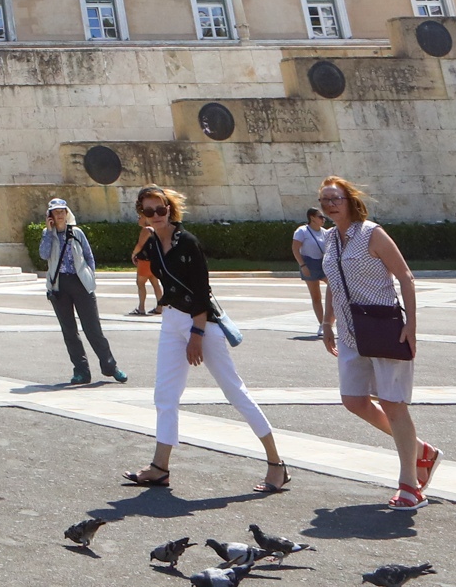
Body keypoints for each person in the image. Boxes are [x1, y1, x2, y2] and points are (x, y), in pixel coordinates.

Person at [123, 183, 287, 493]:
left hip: (200, 322)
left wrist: (196, 334)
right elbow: (138, 261)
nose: (156, 215)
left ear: (170, 210)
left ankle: (277, 464)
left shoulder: (188, 243)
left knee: (234, 391)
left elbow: (201, 291)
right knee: (165, 395)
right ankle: (160, 467)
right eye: (148, 211)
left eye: (161, 209)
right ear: (141, 215)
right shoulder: (152, 243)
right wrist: (144, 235)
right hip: (171, 320)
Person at [319, 175, 439, 509]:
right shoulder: (330, 238)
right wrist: (327, 321)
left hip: (384, 326)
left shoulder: (372, 233)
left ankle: (410, 485)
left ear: (349, 201)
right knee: (353, 400)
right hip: (350, 332)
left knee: (392, 403)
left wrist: (411, 326)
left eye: (335, 199)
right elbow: (333, 280)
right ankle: (420, 451)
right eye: (324, 200)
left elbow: (405, 277)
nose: (329, 204)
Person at [39, 199, 124, 385]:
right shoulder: (48, 234)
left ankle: (110, 366)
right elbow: (44, 255)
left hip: (79, 283)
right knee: (69, 331)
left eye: (62, 211)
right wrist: (49, 233)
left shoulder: (76, 232)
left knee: (93, 328)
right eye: (55, 212)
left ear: (66, 213)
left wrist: (89, 277)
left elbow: (88, 256)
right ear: (50, 216)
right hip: (59, 285)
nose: (59, 215)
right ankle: (81, 371)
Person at [292, 206, 331, 340]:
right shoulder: (302, 231)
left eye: (323, 217)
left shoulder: (325, 232)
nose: (323, 219)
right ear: (312, 218)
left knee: (336, 289)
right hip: (309, 263)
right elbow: (295, 249)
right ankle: (322, 324)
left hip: (323, 263)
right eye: (320, 217)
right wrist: (302, 265)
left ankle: (330, 322)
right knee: (316, 296)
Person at [130, 221, 162, 317]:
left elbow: (140, 245)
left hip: (144, 261)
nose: (138, 219)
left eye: (140, 217)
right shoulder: (155, 229)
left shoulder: (146, 229)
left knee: (140, 284)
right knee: (155, 284)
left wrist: (133, 254)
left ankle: (141, 308)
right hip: (154, 260)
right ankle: (160, 306)